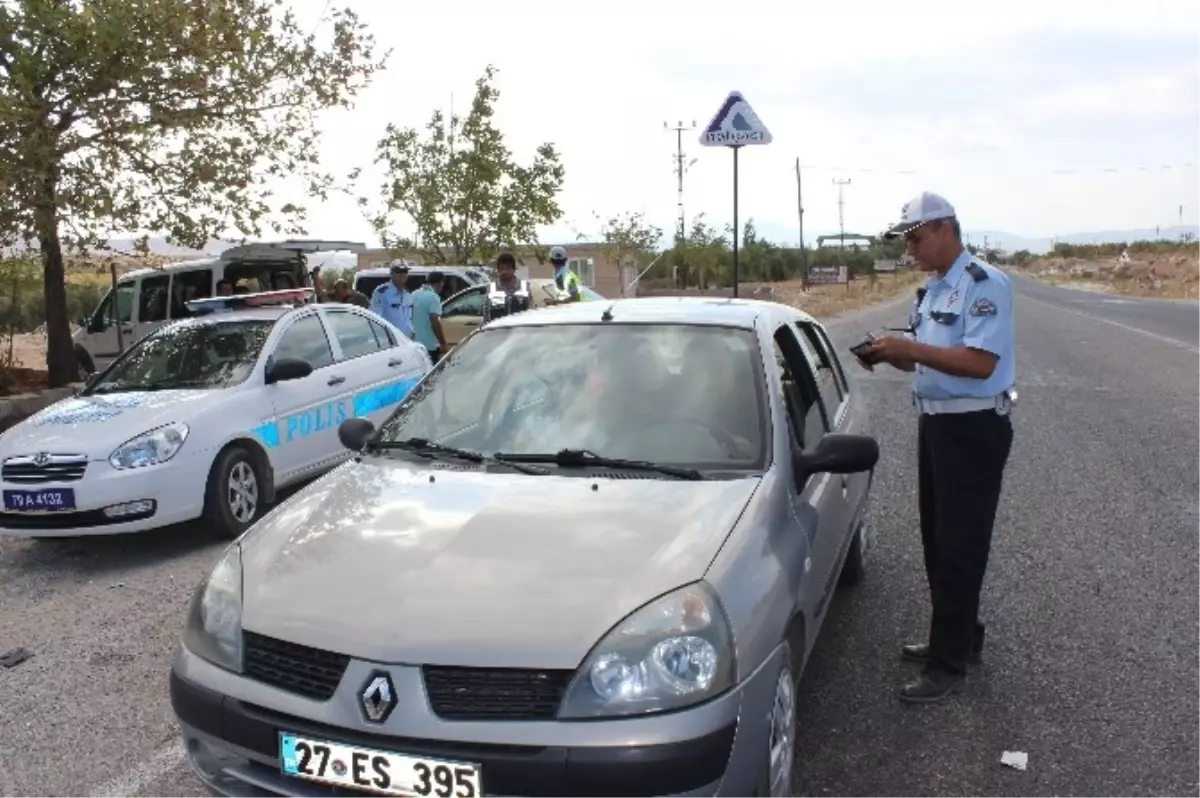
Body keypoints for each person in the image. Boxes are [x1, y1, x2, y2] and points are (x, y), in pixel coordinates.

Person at [865, 191, 1016, 704]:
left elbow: (979, 364)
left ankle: (948, 664)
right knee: (937, 538)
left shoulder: (983, 285)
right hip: (937, 428)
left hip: (973, 429)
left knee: (960, 544)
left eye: (916, 237)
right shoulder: (930, 292)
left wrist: (912, 348)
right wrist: (892, 354)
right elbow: (925, 358)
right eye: (906, 239)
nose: (910, 248)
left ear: (946, 230)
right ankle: (957, 635)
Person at [370, 260, 416, 339]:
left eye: (405, 271)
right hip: (390, 340)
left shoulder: (407, 294)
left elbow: (409, 318)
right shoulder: (381, 292)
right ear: (391, 273)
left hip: (407, 340)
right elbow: (375, 319)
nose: (402, 274)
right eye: (398, 271)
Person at [412, 271, 449, 363]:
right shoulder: (433, 297)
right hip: (429, 346)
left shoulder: (414, 294)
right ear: (441, 283)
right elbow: (434, 321)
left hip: (414, 344)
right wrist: (443, 343)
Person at [484, 252, 533, 322]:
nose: (504, 272)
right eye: (501, 268)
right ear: (498, 270)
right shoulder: (491, 288)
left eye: (508, 268)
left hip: (519, 331)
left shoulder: (524, 287)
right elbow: (486, 317)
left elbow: (530, 313)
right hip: (498, 331)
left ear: (514, 269)